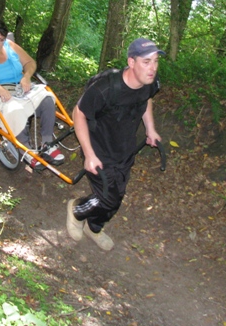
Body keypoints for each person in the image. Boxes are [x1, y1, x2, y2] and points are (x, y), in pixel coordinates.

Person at [67, 38, 164, 251]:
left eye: (156, 61)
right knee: (108, 198)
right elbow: (79, 114)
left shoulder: (150, 84)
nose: (153, 68)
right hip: (98, 149)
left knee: (116, 197)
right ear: (131, 62)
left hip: (124, 149)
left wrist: (150, 128)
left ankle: (93, 228)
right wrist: (89, 153)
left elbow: (147, 99)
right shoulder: (106, 88)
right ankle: (76, 210)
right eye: (146, 62)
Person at [0, 19, 65, 169]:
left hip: (20, 88)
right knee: (15, 110)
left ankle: (47, 143)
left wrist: (26, 76)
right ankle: (26, 150)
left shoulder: (10, 46)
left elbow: (30, 63)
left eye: (1, 40)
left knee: (47, 97)